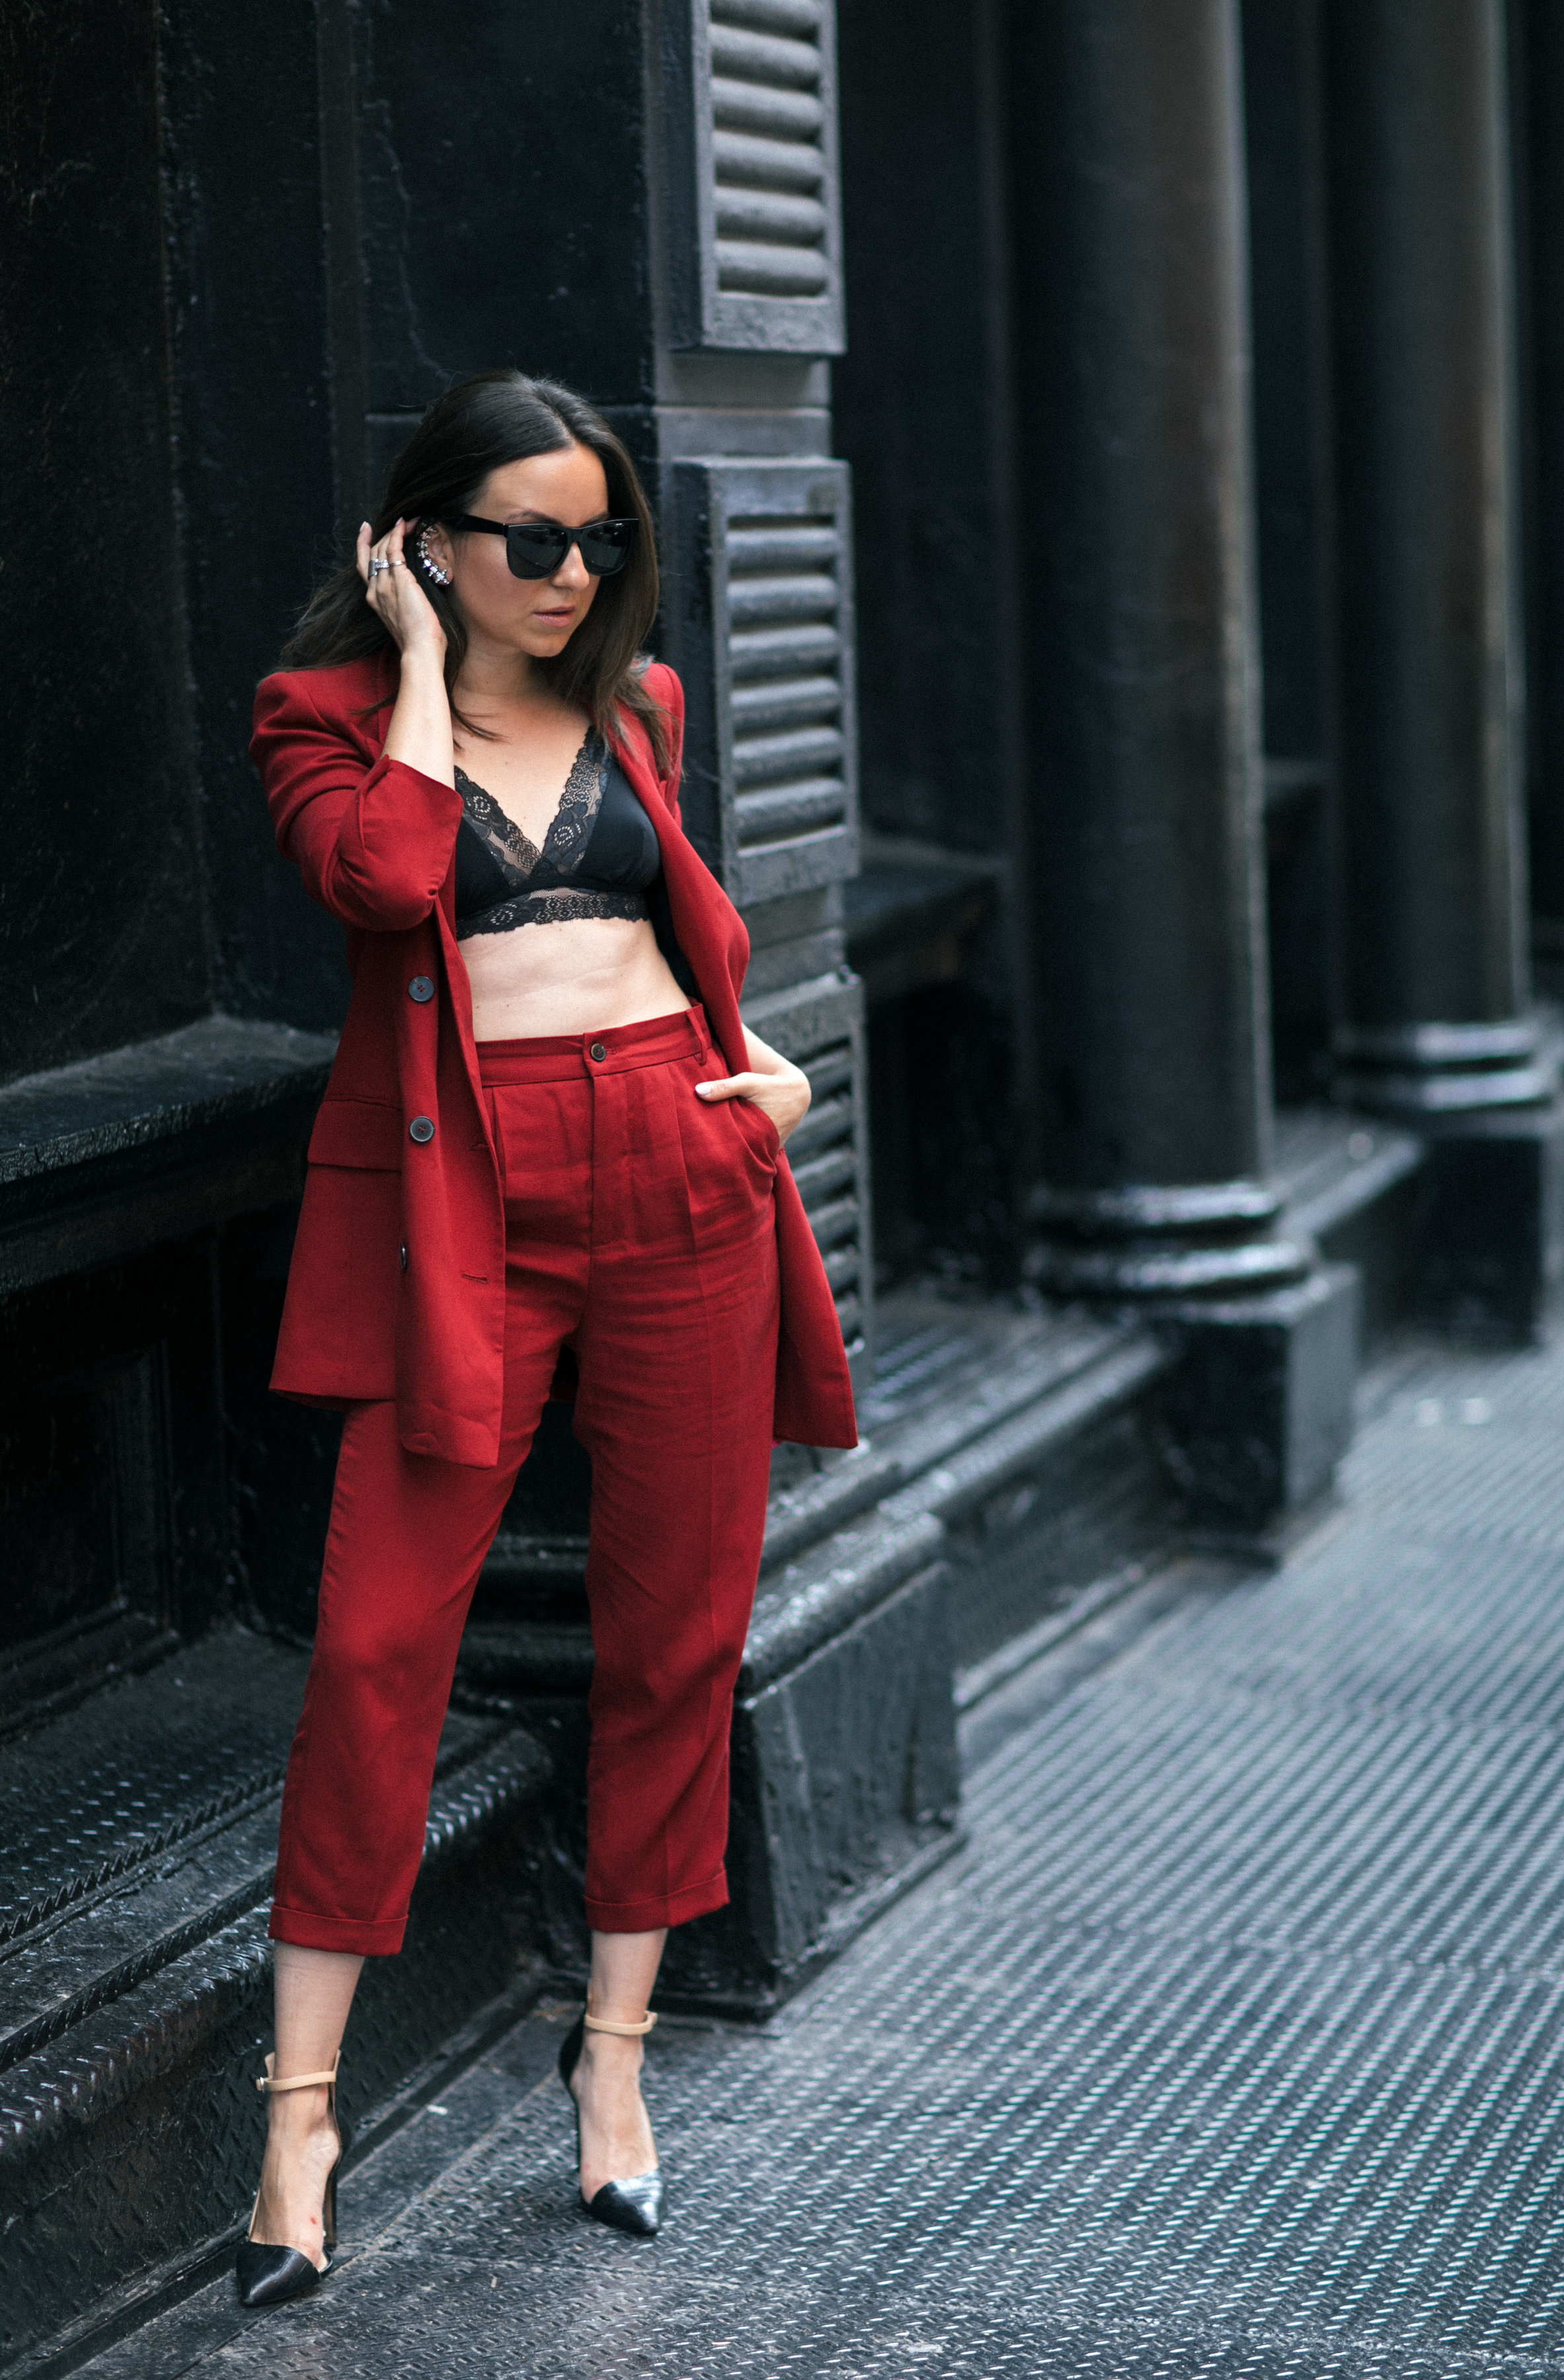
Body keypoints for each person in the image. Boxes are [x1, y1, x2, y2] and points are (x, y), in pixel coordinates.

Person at [235, 368, 856, 2307]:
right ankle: (301, 2113)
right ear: (428, 544)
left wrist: (763, 1083)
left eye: (601, 540)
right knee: (378, 1637)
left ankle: (611, 2070)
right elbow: (390, 883)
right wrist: (421, 660)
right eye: (531, 541)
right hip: (470, 1205)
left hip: (678, 1164)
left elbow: (681, 931)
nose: (576, 573)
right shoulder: (323, 718)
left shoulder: (643, 708)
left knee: (676, 1623)